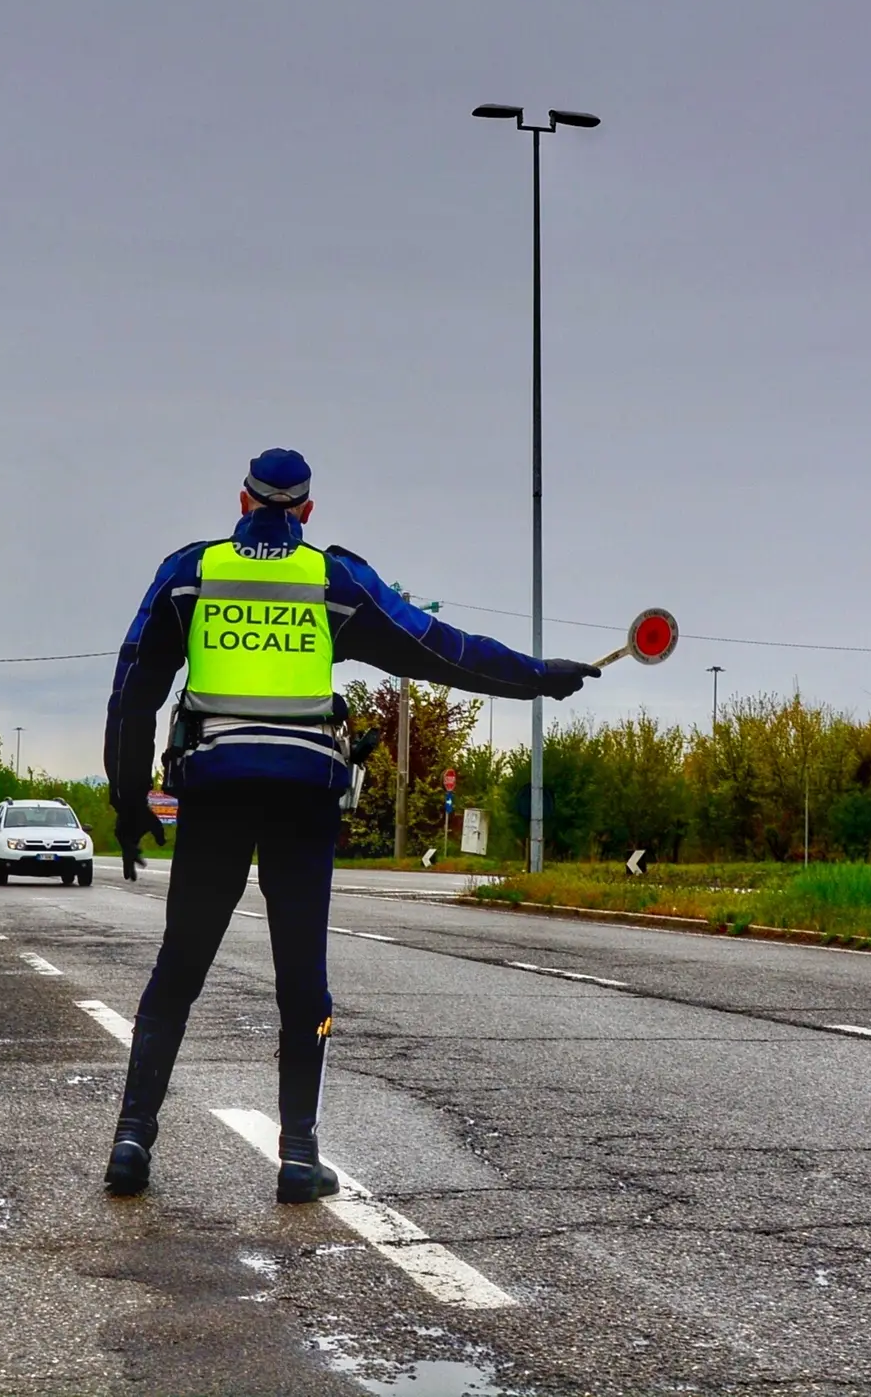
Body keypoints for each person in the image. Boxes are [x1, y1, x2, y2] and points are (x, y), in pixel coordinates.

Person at [99, 448, 600, 1202]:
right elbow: (442, 649)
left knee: (180, 968)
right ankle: (298, 1156)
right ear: (307, 511)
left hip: (217, 792)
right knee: (302, 979)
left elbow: (134, 685)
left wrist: (129, 796)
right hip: (302, 798)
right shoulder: (334, 579)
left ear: (242, 499)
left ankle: (133, 1139)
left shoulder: (190, 572)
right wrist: (536, 676)